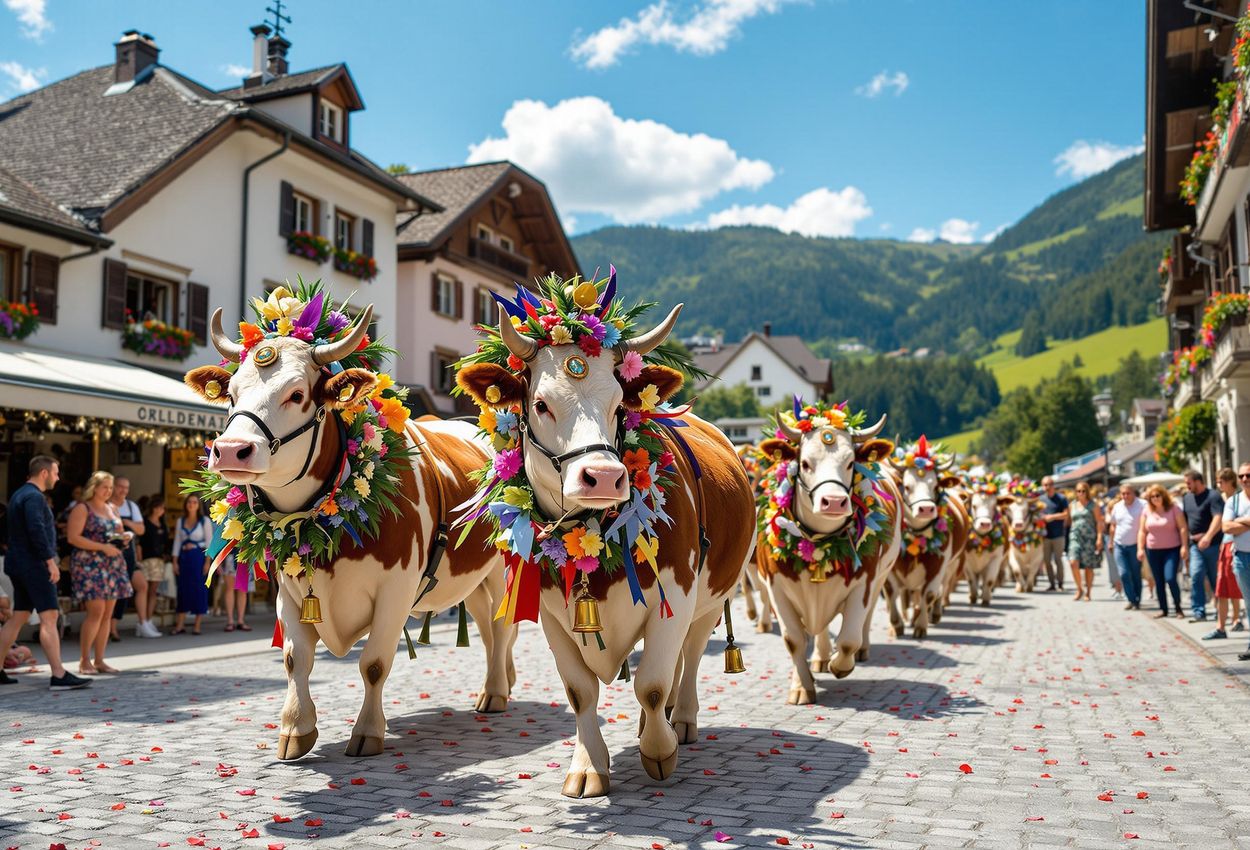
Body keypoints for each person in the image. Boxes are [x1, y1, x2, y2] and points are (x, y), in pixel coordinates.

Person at [0, 456, 90, 689]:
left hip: (18, 564)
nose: (58, 477)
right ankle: (58, 675)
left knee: (18, 616)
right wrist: (50, 562)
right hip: (35, 566)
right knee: (49, 617)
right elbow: (36, 530)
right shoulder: (34, 497)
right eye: (56, 472)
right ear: (44, 473)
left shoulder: (18, 495)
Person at [66, 471, 132, 674]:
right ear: (94, 487)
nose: (109, 491)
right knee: (95, 612)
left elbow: (117, 534)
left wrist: (124, 537)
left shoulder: (113, 508)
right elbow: (73, 537)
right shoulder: (82, 508)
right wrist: (102, 547)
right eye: (105, 487)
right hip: (90, 564)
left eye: (110, 488)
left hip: (112, 563)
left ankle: (100, 660)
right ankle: (84, 660)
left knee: (107, 614)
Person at [108, 476, 155, 639]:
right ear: (113, 487)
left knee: (134, 586)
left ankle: (141, 623)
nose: (123, 491)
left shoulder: (131, 506)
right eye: (120, 487)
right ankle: (110, 627)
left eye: (126, 488)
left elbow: (141, 530)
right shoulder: (106, 504)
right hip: (110, 552)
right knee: (115, 590)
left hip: (129, 552)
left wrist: (127, 523)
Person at [1138, 484, 1188, 619]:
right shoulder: (1146, 510)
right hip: (1153, 550)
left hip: (1172, 549)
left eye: (1157, 495)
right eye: (1152, 497)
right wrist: (1140, 549)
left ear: (1163, 495)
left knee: (1170, 578)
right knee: (1158, 581)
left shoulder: (1174, 509)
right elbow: (1142, 531)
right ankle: (1163, 609)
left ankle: (1178, 607)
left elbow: (1183, 528)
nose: (1155, 499)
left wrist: (1184, 546)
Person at [1205, 468, 1244, 640]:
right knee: (1223, 586)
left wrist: (1236, 524)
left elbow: (1230, 525)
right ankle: (1223, 625)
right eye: (1218, 481)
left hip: (1237, 544)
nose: (1219, 484)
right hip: (1225, 543)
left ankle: (1236, 618)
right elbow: (1225, 526)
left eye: (1221, 481)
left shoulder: (1239, 499)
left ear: (1230, 481)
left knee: (1235, 586)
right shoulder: (1219, 499)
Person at [1181, 470, 1224, 623]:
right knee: (1196, 575)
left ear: (1198, 481)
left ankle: (1221, 611)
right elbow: (1184, 523)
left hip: (1213, 544)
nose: (1187, 486)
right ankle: (1199, 611)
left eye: (1189, 483)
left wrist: (1207, 536)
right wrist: (1184, 545)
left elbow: (1218, 518)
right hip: (1195, 546)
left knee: (1215, 580)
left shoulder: (1213, 496)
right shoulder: (1187, 498)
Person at [1222, 463, 1250, 660]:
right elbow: (1226, 527)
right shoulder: (1233, 501)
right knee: (1249, 603)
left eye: (1248, 475)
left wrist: (1240, 521)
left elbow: (1234, 525)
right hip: (1241, 557)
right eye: (1241, 476)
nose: (1245, 479)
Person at [172, 495, 211, 635]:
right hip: (184, 558)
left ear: (198, 505)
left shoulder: (204, 521)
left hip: (198, 558)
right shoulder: (180, 521)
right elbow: (177, 541)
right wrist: (175, 561)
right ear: (185, 504)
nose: (191, 504)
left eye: (194, 502)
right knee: (182, 589)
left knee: (199, 589)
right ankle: (180, 624)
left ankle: (197, 625)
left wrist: (208, 562)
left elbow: (209, 543)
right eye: (189, 502)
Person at [207, 520, 252, 633]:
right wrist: (217, 561)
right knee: (229, 588)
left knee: (242, 589)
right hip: (229, 556)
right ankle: (230, 621)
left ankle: (241, 620)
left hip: (245, 555)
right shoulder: (225, 517)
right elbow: (218, 539)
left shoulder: (249, 514)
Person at [135, 498, 170, 638]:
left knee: (153, 591)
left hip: (158, 560)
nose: (161, 510)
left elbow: (166, 542)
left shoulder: (163, 524)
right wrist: (139, 559)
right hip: (146, 560)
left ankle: (148, 620)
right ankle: (142, 621)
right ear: (153, 508)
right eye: (159, 507)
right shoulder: (144, 522)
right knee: (144, 588)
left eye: (162, 508)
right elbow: (139, 543)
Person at [1109, 483, 1146, 610]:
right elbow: (1113, 525)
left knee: (1136, 574)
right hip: (1119, 544)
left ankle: (1137, 600)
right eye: (1123, 493)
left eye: (1127, 493)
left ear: (1133, 493)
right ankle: (1131, 598)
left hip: (1135, 544)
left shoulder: (1142, 505)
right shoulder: (1117, 507)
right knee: (1124, 573)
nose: (1125, 496)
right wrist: (1110, 541)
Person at [1066, 483, 1105, 601]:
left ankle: (1088, 591)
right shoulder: (1072, 505)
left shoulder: (1093, 506)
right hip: (1075, 537)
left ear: (1087, 492)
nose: (1081, 493)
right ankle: (1079, 588)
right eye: (1078, 491)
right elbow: (1069, 521)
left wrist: (1099, 538)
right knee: (1073, 562)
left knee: (1088, 566)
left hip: (1089, 538)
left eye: (1083, 491)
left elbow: (1099, 522)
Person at [1039, 476, 1068, 591]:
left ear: (1053, 485)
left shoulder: (1061, 498)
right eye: (1045, 485)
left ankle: (1060, 583)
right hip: (1045, 535)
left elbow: (1066, 514)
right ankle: (1052, 584)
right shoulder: (1040, 499)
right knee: (1047, 561)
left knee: (1058, 560)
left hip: (1058, 535)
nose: (1047, 487)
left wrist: (1052, 517)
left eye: (1049, 484)